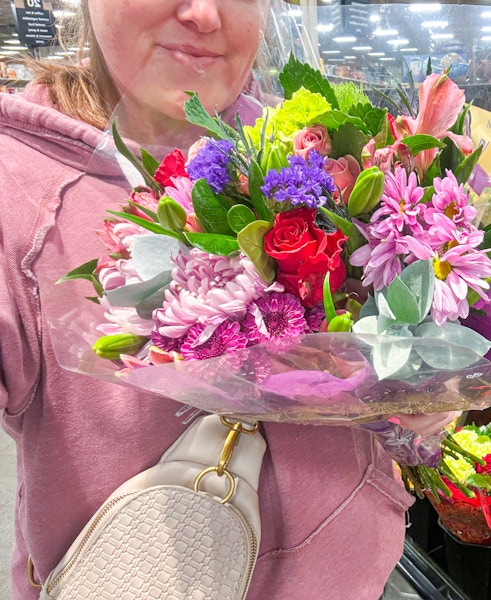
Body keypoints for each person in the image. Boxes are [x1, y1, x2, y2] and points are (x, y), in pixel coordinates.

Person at [0, 1, 454, 598]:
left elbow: (376, 390)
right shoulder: (21, 193)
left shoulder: (308, 148)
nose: (205, 14)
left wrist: (414, 404)